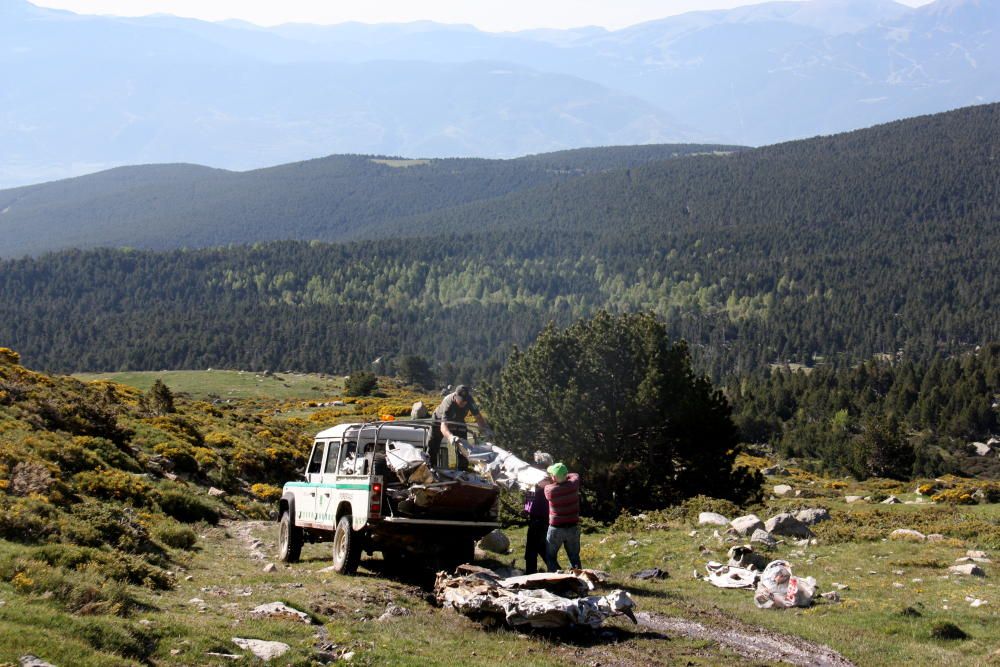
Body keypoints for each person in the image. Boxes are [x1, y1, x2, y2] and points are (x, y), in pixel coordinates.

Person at [427, 384, 489, 470]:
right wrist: (450, 437)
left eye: (465, 401)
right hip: (439, 422)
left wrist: (485, 432)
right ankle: (430, 469)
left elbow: (478, 417)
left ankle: (463, 472)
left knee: (464, 447)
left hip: (458, 421)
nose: (463, 403)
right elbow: (443, 426)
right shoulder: (448, 402)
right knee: (432, 447)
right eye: (461, 401)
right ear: (456, 396)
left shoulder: (470, 401)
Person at [543, 462, 581, 571]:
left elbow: (548, 485)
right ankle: (578, 580)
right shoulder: (573, 485)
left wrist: (554, 480)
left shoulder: (549, 490)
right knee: (574, 557)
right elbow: (575, 475)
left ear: (553, 477)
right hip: (573, 527)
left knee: (550, 556)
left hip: (556, 528)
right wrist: (564, 476)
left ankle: (557, 577)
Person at [523, 451, 554, 575]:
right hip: (549, 517)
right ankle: (554, 570)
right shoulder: (553, 478)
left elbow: (530, 495)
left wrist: (526, 509)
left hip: (537, 516)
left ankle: (531, 574)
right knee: (542, 546)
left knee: (531, 549)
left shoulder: (536, 477)